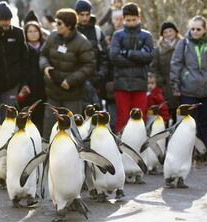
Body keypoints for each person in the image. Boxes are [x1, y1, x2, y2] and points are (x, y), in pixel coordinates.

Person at [170, 15, 207, 148]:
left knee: (205, 122)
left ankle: (202, 150)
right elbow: (175, 65)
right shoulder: (183, 44)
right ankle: (188, 151)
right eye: (192, 29)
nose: (195, 32)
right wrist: (175, 85)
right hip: (188, 91)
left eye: (198, 29)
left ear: (205, 29)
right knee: (189, 124)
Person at [39, 8, 96, 139]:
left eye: (59, 23)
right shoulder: (52, 37)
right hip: (52, 93)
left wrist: (70, 80)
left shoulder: (82, 42)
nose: (56, 25)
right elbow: (43, 55)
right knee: (48, 132)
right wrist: (45, 67)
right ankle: (47, 158)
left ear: (69, 26)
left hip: (72, 96)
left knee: (72, 133)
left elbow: (90, 65)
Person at [109, 2, 154, 133]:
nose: (131, 22)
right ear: (123, 19)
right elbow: (114, 57)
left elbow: (150, 56)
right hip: (121, 84)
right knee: (122, 118)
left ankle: (139, 148)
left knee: (139, 118)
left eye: (134, 19)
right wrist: (139, 57)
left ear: (139, 18)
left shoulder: (146, 36)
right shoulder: (117, 35)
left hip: (140, 83)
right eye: (128, 20)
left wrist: (128, 53)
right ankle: (120, 148)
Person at [75, 0, 108, 108]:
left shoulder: (97, 32)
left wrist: (100, 76)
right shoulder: (70, 31)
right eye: (82, 15)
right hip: (76, 84)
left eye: (87, 14)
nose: (85, 18)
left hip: (95, 83)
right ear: (76, 14)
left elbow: (105, 57)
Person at [150, 21, 181, 126]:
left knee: (180, 118)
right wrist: (160, 82)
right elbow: (154, 68)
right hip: (165, 88)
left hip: (181, 87)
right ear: (162, 35)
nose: (168, 34)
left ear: (176, 32)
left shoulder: (183, 46)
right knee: (165, 118)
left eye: (170, 31)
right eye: (165, 32)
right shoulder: (158, 50)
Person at [18, 21, 46, 134]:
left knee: (43, 117)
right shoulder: (22, 48)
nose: (33, 34)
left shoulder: (45, 47)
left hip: (44, 88)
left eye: (35, 31)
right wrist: (23, 84)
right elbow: (20, 69)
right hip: (28, 89)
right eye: (30, 31)